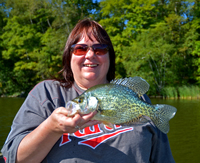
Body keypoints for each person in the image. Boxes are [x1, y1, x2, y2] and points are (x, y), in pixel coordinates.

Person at [1, 19, 175, 163]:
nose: (90, 55)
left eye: (99, 49)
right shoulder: (47, 94)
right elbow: (14, 159)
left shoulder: (136, 96)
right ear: (69, 56)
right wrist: (52, 128)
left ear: (109, 57)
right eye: (80, 48)